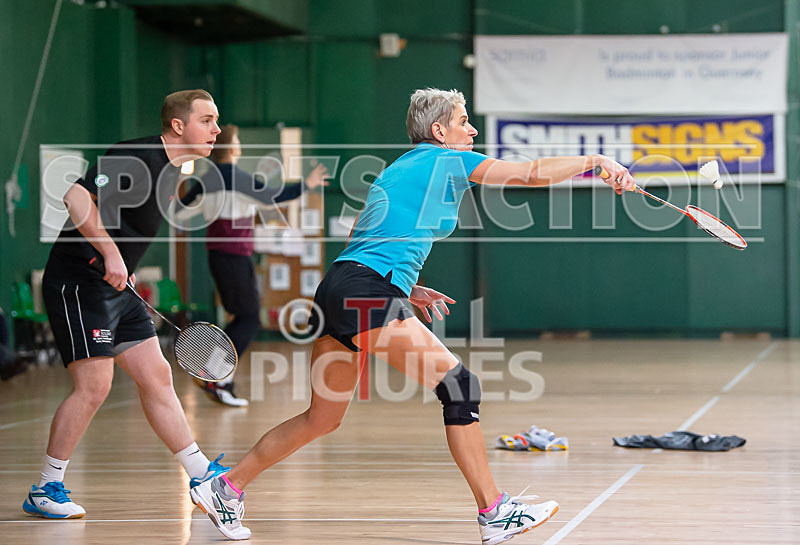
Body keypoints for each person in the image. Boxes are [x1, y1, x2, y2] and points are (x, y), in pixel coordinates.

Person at [189, 88, 636, 542]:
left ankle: (225, 488)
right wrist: (596, 160)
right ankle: (495, 512)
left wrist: (406, 287)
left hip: (342, 289)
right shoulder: (447, 160)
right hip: (364, 292)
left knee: (322, 418)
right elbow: (528, 174)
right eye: (464, 121)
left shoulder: (401, 168)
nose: (473, 129)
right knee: (460, 387)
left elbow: (368, 239)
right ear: (439, 131)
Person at [22, 90, 232, 519]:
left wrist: (124, 263)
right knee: (94, 386)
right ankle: (46, 487)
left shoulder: (174, 170)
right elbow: (77, 198)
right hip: (79, 282)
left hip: (118, 288)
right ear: (179, 125)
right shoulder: (135, 156)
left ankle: (199, 473)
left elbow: (122, 223)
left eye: (216, 121)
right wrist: (111, 253)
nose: (216, 129)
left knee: (157, 376)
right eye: (207, 120)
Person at [177, 124, 328, 407]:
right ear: (233, 148)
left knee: (241, 317)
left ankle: (216, 376)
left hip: (218, 256)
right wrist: (307, 184)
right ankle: (216, 376)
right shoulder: (236, 178)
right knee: (249, 319)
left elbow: (181, 208)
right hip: (234, 257)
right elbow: (275, 194)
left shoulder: (205, 179)